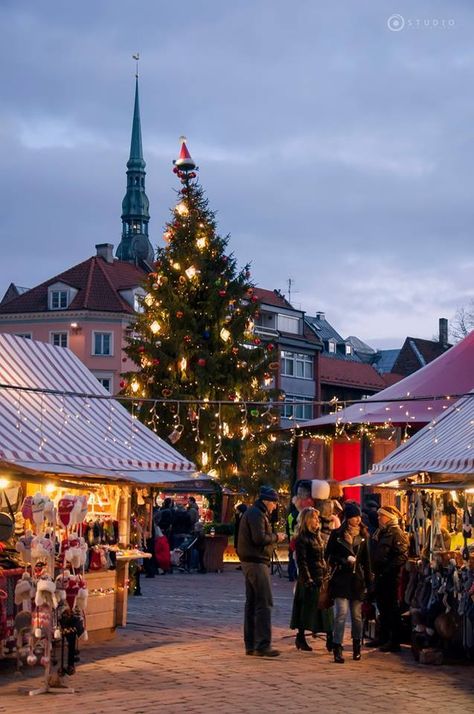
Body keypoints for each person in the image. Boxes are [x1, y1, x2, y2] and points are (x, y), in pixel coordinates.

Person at [237, 485, 286, 657]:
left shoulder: (254, 512)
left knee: (252, 603)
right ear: (267, 501)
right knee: (264, 602)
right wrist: (276, 537)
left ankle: (251, 644)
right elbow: (259, 538)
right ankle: (262, 645)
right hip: (256, 562)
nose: (275, 507)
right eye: (274, 503)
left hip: (250, 561)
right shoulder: (257, 514)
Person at [325, 501, 372, 663]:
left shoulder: (364, 536)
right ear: (347, 518)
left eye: (358, 516)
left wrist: (369, 582)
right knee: (341, 613)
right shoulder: (337, 535)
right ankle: (337, 646)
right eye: (353, 516)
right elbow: (328, 556)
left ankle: (356, 646)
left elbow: (367, 562)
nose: (357, 519)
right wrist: (344, 560)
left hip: (357, 581)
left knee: (357, 616)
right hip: (341, 579)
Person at [290, 507, 333, 652]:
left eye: (317, 518)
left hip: (321, 576)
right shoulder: (303, 538)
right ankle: (301, 637)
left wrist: (326, 571)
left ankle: (330, 638)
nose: (317, 520)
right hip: (309, 578)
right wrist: (307, 579)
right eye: (314, 518)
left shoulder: (318, 536)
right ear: (308, 520)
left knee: (325, 609)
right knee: (307, 610)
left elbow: (322, 557)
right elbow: (302, 561)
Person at [371, 504, 409, 652]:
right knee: (381, 607)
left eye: (381, 515)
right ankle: (383, 637)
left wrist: (388, 569)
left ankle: (394, 641)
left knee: (390, 608)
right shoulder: (382, 532)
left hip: (390, 576)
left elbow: (402, 555)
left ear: (389, 517)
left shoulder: (396, 533)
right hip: (380, 575)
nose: (379, 517)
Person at [234, 503, 247, 570]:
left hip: (241, 536)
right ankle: (243, 564)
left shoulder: (243, 516)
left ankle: (244, 564)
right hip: (238, 535)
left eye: (237, 510)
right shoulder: (240, 515)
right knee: (238, 550)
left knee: (240, 550)